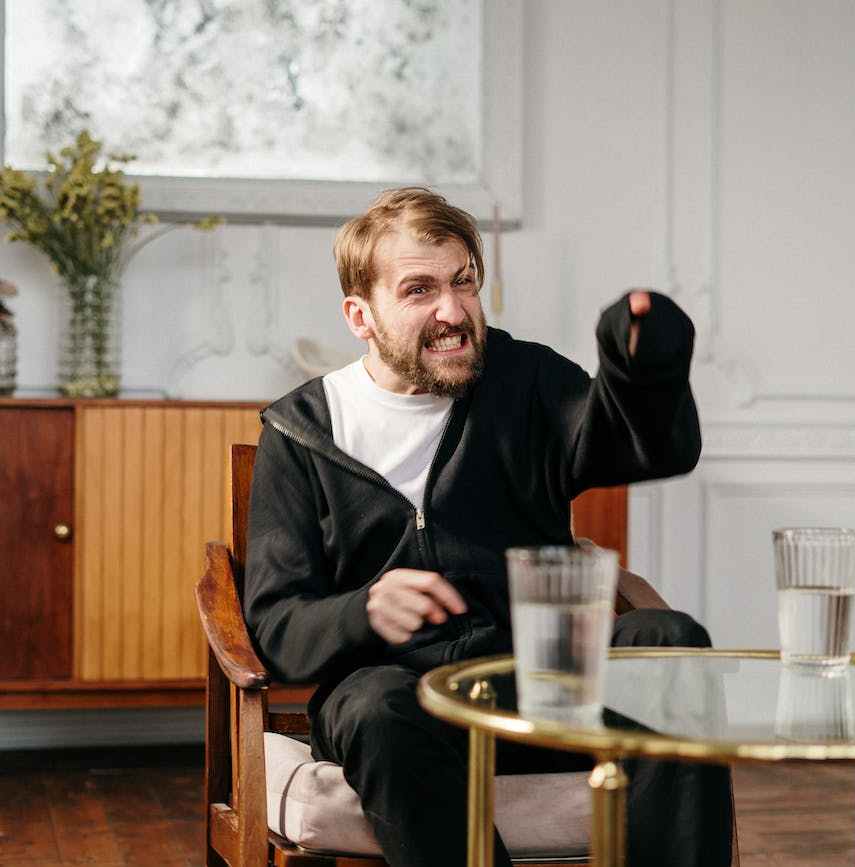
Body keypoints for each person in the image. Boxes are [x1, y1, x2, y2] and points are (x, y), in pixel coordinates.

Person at [244, 187, 732, 867]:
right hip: (400, 708)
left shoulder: (525, 380)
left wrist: (641, 363)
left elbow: (639, 446)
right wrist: (365, 609)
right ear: (361, 315)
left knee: (667, 640)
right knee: (376, 705)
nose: (453, 312)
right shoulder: (300, 432)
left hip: (539, 689)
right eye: (419, 290)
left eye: (464, 282)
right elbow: (276, 624)